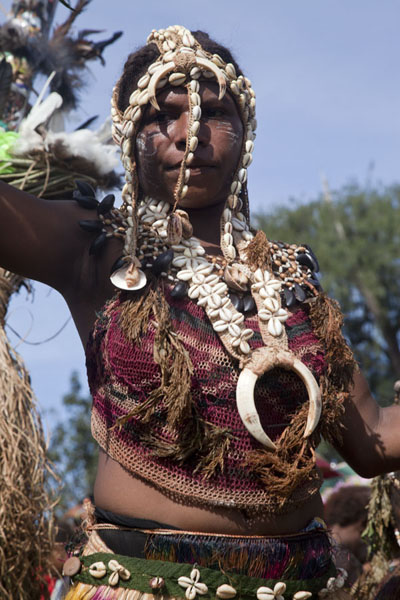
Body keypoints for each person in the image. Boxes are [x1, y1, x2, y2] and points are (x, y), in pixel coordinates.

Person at [1, 24, 400, 599]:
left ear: (245, 131)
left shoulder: (291, 283)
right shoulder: (96, 249)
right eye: (165, 114)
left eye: (215, 112)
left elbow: (373, 442)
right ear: (129, 132)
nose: (192, 135)